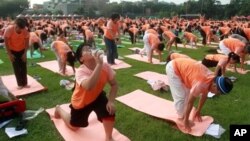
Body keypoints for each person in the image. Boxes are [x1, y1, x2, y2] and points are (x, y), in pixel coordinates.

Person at [54, 43, 118, 141]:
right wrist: (99, 65)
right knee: (74, 126)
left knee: (109, 110)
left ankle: (108, 137)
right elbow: (89, 86)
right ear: (81, 59)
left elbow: (114, 84)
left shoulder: (105, 66)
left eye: (90, 47)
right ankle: (59, 109)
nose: (90, 49)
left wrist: (111, 101)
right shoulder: (80, 71)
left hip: (97, 96)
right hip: (81, 102)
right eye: (86, 49)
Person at [166, 58, 233, 132]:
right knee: (180, 97)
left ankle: (184, 118)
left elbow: (204, 95)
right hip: (173, 68)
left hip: (183, 67)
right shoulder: (201, 84)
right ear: (214, 85)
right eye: (218, 92)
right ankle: (181, 120)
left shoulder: (212, 79)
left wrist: (198, 110)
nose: (217, 94)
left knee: (187, 94)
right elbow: (190, 103)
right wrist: (186, 122)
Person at [4, 17, 30, 89]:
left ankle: (25, 83)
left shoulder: (25, 30)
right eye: (18, 28)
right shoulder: (9, 30)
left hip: (22, 50)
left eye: (21, 29)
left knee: (23, 66)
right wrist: (10, 54)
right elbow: (6, 43)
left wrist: (25, 54)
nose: (19, 30)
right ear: (15, 25)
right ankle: (20, 84)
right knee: (16, 67)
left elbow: (27, 43)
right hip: (12, 50)